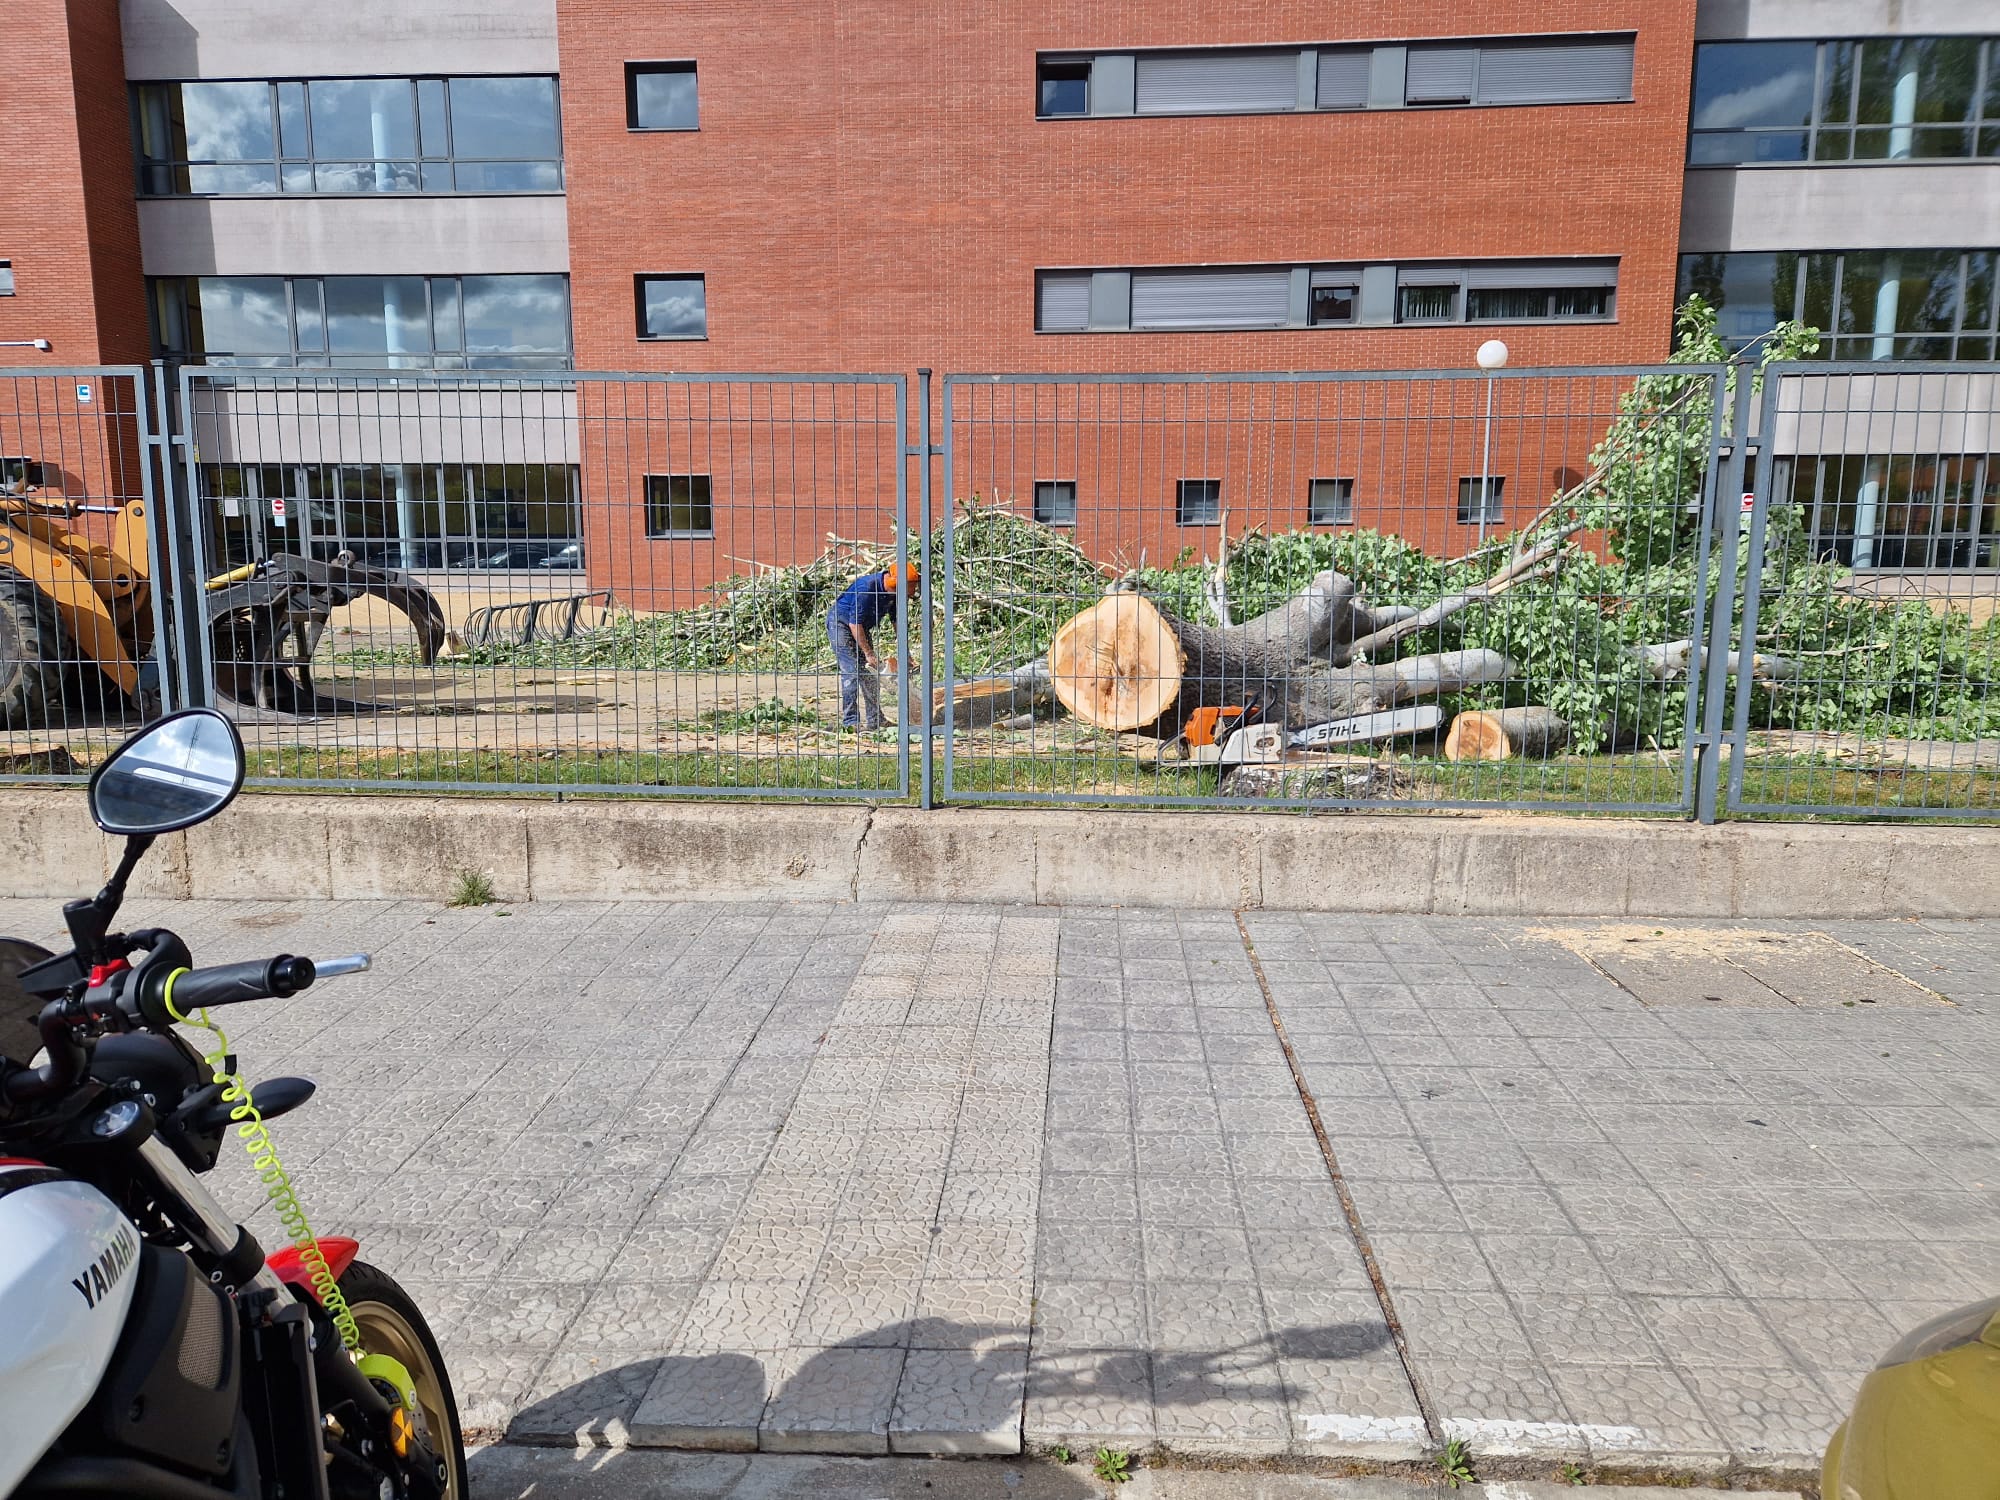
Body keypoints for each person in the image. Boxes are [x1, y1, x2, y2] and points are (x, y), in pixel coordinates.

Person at [827, 562, 918, 729]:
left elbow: (898, 622)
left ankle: (876, 720)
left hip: (861, 627)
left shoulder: (895, 594)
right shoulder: (867, 588)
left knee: (871, 674)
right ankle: (850, 722)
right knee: (852, 671)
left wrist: (906, 654)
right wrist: (868, 653)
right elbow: (855, 624)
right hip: (842, 624)